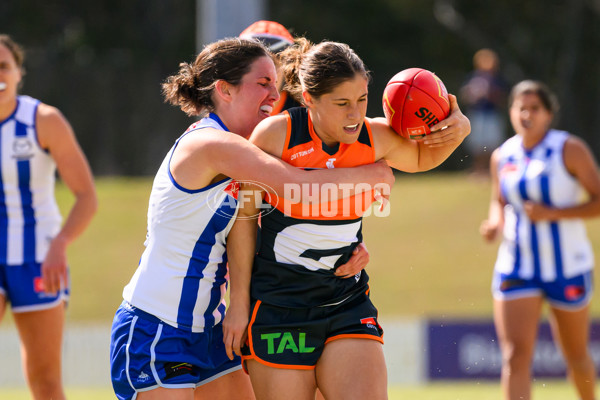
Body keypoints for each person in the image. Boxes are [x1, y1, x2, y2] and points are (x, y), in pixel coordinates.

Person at [108, 37, 394, 400]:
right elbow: (294, 185)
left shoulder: (246, 150)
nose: (275, 96)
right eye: (262, 84)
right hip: (157, 327)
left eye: (275, 84)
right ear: (225, 90)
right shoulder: (210, 144)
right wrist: (372, 174)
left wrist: (342, 245)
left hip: (212, 328)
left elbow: (269, 221)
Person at [224, 38, 471, 400]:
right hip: (279, 307)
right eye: (342, 104)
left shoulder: (375, 136)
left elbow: (421, 160)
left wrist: (458, 129)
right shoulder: (276, 136)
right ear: (308, 99)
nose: (355, 114)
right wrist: (239, 304)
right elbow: (244, 221)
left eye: (361, 100)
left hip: (347, 300)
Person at [480, 80, 599, 400]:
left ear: (548, 114)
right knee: (514, 357)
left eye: (535, 108)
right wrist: (495, 222)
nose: (527, 114)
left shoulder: (569, 149)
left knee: (576, 356)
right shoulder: (503, 155)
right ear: (511, 113)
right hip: (517, 265)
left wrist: (553, 214)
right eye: (521, 108)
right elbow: (498, 200)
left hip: (567, 266)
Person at [0, 34, 98, 400]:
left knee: (45, 380)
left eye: (4, 66)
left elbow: (87, 197)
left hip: (39, 260)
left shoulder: (43, 120)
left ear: (19, 73)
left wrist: (60, 243)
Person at [459, 48, 509, 177]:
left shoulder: (497, 79)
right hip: (477, 113)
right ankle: (478, 170)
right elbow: (464, 95)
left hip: (492, 113)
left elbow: (503, 98)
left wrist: (491, 94)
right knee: (477, 145)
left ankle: (490, 170)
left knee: (491, 144)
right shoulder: (473, 77)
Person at [240, 20, 302, 115]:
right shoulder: (221, 110)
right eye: (252, 61)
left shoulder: (305, 115)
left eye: (274, 63)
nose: (263, 71)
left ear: (289, 68)